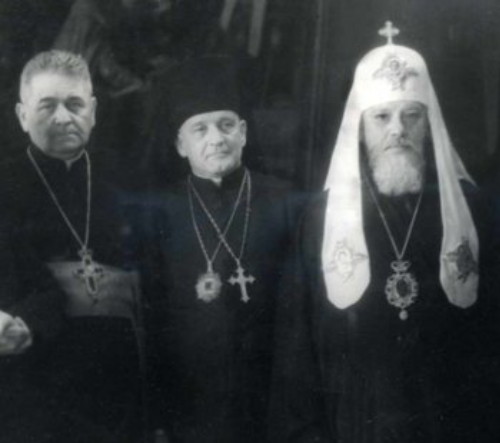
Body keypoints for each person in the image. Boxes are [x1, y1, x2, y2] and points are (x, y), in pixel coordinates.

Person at [270, 22, 500, 443]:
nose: (398, 129)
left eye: (411, 116)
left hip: (448, 422)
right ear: (360, 127)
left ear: (428, 126)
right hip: (356, 421)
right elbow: (295, 352)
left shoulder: (471, 209)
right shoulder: (320, 218)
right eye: (382, 117)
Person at [136, 56, 302, 443]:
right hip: (192, 403)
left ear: (243, 132)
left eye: (226, 125)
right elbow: (154, 321)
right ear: (181, 144)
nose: (217, 138)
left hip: (273, 397)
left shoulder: (287, 200)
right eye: (200, 129)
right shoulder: (160, 212)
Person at [3, 49, 145, 442]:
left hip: (119, 387)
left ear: (94, 111)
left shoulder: (127, 181)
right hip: (31, 385)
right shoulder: (4, 185)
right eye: (47, 105)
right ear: (21, 115)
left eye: (75, 104)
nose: (63, 117)